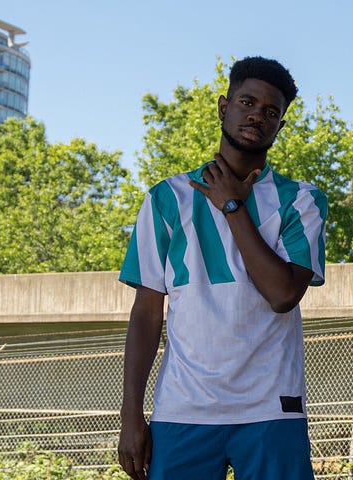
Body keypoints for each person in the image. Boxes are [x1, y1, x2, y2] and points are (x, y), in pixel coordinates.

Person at [117, 56, 325, 480]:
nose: (257, 116)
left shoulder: (301, 200)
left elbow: (284, 294)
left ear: (280, 126)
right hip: (183, 407)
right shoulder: (166, 199)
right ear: (222, 106)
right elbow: (145, 313)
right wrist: (130, 414)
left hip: (272, 407)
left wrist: (232, 206)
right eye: (247, 102)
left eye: (271, 112)